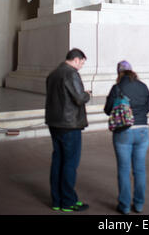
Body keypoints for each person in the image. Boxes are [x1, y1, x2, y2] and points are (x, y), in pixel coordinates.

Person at [45, 48, 91, 212]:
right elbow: (79, 98)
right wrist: (87, 94)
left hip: (54, 123)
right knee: (70, 164)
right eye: (82, 63)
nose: (81, 67)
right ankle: (68, 201)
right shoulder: (71, 73)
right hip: (69, 125)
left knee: (58, 161)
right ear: (77, 59)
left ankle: (57, 200)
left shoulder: (53, 74)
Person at [104, 61, 149, 214]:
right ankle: (139, 204)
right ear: (132, 71)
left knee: (124, 170)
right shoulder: (143, 86)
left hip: (123, 131)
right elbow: (148, 107)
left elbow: (107, 110)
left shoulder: (116, 88)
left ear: (119, 73)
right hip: (142, 130)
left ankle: (124, 206)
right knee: (140, 170)